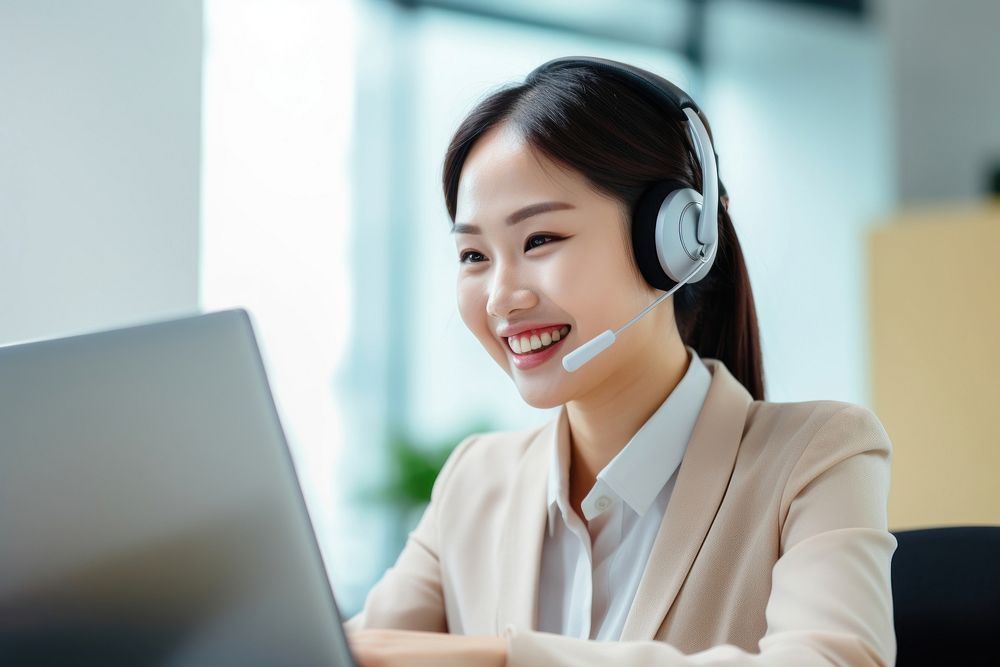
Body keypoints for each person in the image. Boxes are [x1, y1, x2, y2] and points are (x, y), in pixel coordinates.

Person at [344, 57, 896, 667]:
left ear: (671, 243)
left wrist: (506, 659)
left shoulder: (817, 455)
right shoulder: (475, 482)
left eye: (539, 240)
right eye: (473, 255)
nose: (501, 296)